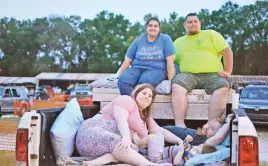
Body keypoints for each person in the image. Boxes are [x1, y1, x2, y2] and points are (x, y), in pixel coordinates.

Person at [76, 84, 184, 166]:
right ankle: (150, 165)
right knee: (122, 144)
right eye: (144, 93)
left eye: (150, 96)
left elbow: (159, 130)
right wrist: (127, 138)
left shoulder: (145, 117)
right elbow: (121, 118)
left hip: (105, 148)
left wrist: (179, 141)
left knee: (127, 151)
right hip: (91, 134)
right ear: (136, 93)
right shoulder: (127, 100)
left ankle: (91, 163)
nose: (147, 97)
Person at [171, 13, 233, 127]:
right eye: (189, 22)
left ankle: (210, 126)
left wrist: (228, 71)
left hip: (213, 75)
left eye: (195, 21)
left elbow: (227, 51)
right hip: (187, 75)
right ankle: (179, 125)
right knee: (176, 85)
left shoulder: (211, 34)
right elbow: (169, 61)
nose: (193, 24)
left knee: (223, 87)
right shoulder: (177, 42)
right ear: (185, 25)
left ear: (200, 23)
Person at [117, 17, 176, 96]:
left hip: (156, 70)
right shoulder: (138, 41)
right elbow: (127, 61)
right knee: (123, 81)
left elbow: (170, 62)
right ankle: (134, 104)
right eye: (150, 25)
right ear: (146, 27)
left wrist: (170, 81)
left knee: (144, 83)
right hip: (136, 68)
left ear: (159, 28)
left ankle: (136, 104)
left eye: (155, 26)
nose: (153, 28)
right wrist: (118, 76)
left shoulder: (165, 39)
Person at [133, 134, 217, 165]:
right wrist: (187, 141)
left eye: (197, 151)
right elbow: (184, 146)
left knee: (153, 137)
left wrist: (180, 153)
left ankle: (138, 142)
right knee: (159, 135)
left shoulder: (188, 159)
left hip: (158, 157)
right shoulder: (191, 150)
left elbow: (176, 163)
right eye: (197, 147)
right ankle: (142, 148)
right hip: (162, 151)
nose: (194, 149)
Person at [164, 114, 233, 147]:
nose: (207, 128)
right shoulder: (195, 135)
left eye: (212, 129)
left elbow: (218, 138)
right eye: (209, 124)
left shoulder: (207, 139)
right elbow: (168, 130)